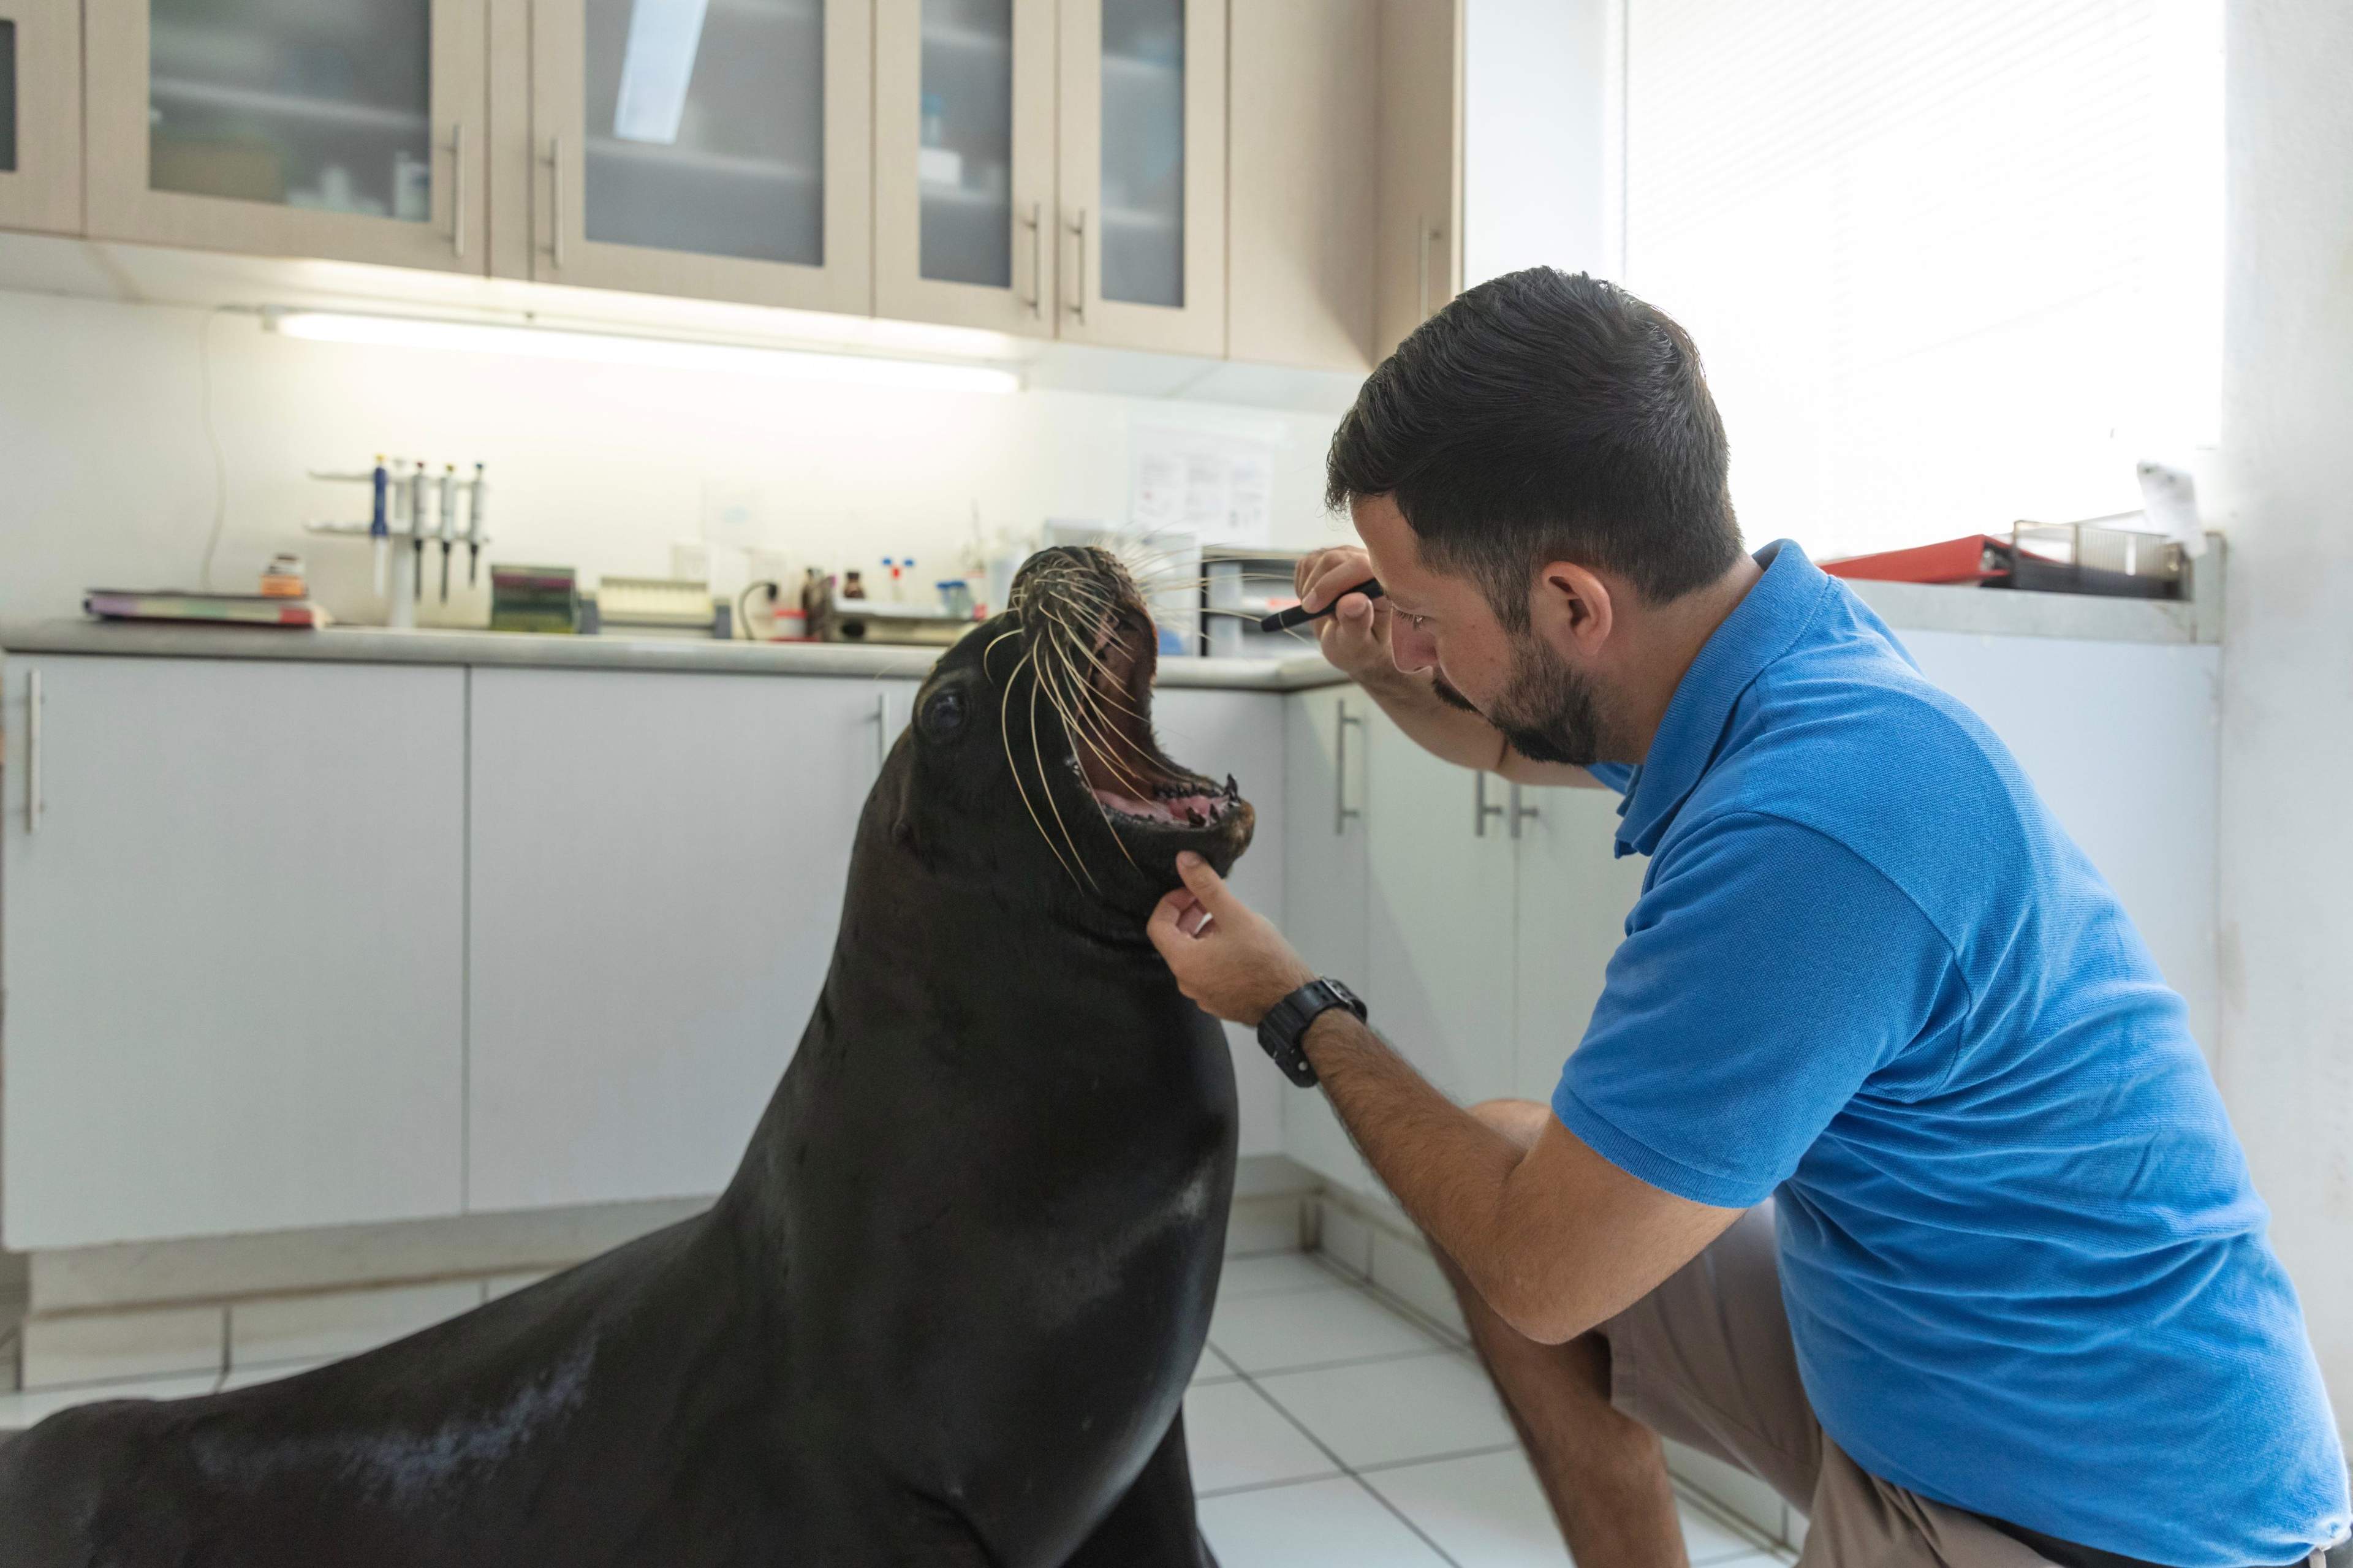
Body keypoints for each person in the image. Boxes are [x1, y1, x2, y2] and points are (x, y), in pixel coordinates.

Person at [1143, 267, 2348, 1568]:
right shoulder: (1775, 659)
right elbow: (1514, 745)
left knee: (1537, 1251)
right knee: (1505, 1163)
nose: (1417, 644)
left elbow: (1550, 1271)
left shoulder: (1807, 825)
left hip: (2096, 1513)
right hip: (1953, 1350)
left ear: (1569, 603)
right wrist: (1403, 662)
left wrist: (1295, 1008)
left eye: (1428, 614)